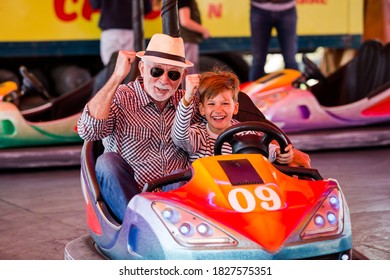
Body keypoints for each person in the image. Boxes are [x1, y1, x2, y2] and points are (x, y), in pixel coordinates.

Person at [77, 33, 201, 222]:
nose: (164, 81)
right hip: (133, 195)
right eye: (157, 71)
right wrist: (117, 76)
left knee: (185, 175)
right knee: (107, 162)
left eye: (173, 74)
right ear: (142, 68)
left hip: (176, 195)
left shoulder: (188, 101)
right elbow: (88, 131)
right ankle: (138, 224)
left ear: (183, 76)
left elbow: (221, 123)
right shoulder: (122, 97)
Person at [171, 69, 294, 164]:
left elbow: (265, 147)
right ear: (202, 109)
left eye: (225, 103)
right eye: (211, 104)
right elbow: (179, 136)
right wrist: (187, 98)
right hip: (208, 192)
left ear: (235, 108)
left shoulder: (245, 132)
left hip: (240, 188)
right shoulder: (199, 135)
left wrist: (280, 153)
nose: (218, 110)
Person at [89, 0, 152, 66]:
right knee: (131, 65)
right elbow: (147, 8)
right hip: (131, 30)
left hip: (111, 31)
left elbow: (95, 5)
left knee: (111, 65)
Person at [249, 0, 299, 81]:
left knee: (290, 59)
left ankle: (296, 92)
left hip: (288, 9)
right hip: (259, 8)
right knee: (258, 60)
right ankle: (251, 93)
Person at [178, 0, 211, 75]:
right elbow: (185, 21)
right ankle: (190, 87)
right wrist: (204, 30)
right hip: (188, 39)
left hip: (186, 39)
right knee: (190, 69)